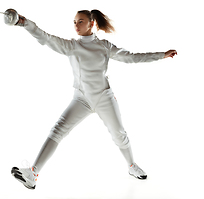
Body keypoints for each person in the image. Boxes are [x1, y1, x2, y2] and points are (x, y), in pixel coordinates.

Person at [10, 10, 177, 190]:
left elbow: (131, 57)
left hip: (104, 97)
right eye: (74, 22)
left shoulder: (104, 46)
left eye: (80, 21)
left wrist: (161, 55)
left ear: (91, 23)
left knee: (119, 134)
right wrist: (23, 22)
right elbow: (46, 38)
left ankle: (131, 166)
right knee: (58, 130)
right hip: (81, 99)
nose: (76, 25)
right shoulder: (71, 46)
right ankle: (32, 174)